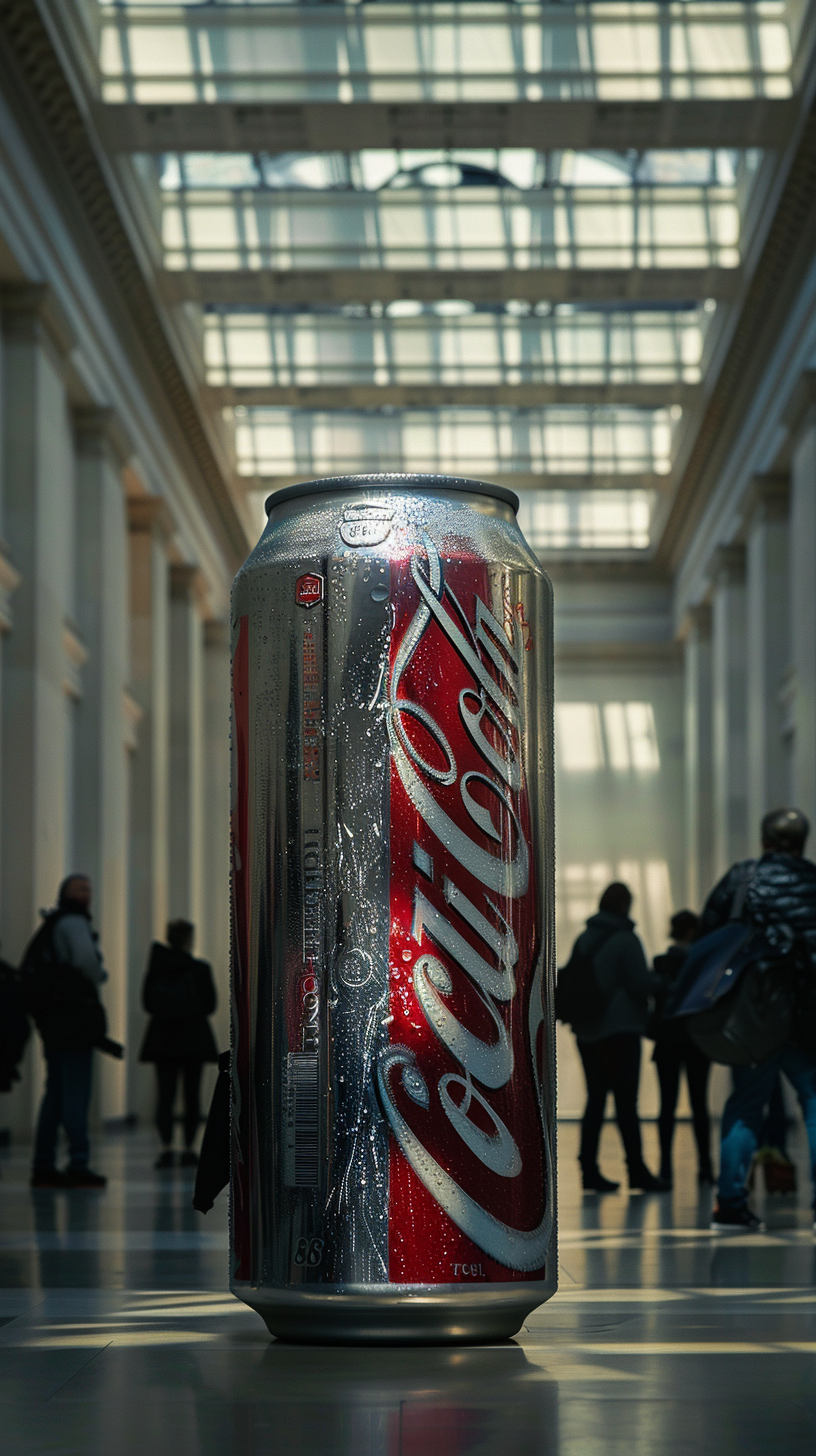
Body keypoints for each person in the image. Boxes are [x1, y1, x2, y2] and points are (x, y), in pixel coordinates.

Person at [702, 808, 816, 1232]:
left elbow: (709, 935)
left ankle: (731, 1204)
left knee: (747, 1106)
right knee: (814, 1104)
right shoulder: (813, 881)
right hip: (807, 1018)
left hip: (755, 1017)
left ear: (765, 841)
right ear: (802, 843)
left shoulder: (743, 878)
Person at [571, 881, 669, 1194]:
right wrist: (665, 983)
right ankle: (637, 1171)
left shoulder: (585, 937)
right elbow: (640, 983)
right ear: (625, 905)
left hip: (586, 1031)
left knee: (595, 1100)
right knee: (626, 1103)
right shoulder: (626, 939)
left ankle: (589, 1170)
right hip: (619, 1031)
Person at [27, 875, 109, 1189]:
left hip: (53, 1022)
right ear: (67, 893)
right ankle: (78, 1162)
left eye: (89, 888)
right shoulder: (74, 923)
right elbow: (87, 961)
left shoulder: (53, 923)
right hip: (74, 1022)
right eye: (82, 889)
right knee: (75, 1093)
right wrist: (100, 974)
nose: (87, 894)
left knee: (56, 1093)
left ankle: (43, 1164)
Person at [140, 920, 218, 1169]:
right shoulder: (200, 969)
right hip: (193, 1038)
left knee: (165, 1095)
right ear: (188, 939)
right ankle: (188, 1148)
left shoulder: (157, 968)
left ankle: (165, 1148)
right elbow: (210, 1005)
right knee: (191, 1095)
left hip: (163, 1038)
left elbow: (147, 1003)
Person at [649, 909, 714, 1188]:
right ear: (692, 932)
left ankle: (665, 1167)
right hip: (696, 1041)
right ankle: (706, 1168)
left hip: (666, 1041)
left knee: (667, 1105)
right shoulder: (702, 964)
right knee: (700, 1105)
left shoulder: (661, 962)